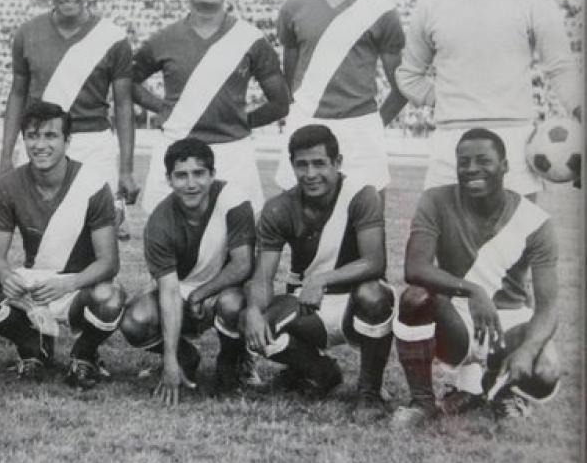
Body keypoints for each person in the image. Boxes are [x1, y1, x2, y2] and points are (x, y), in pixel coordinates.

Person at [395, 0, 582, 195]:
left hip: (515, 141)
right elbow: (408, 75)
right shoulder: (430, 4)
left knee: (515, 238)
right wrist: (443, 99)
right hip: (450, 141)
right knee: (441, 237)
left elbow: (560, 67)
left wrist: (580, 112)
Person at [391, 128, 561, 425]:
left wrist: (528, 350)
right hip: (457, 317)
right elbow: (415, 268)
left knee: (544, 371)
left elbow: (548, 307)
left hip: (509, 320)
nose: (471, 169)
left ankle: (500, 389)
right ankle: (422, 403)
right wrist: (471, 291)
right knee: (415, 298)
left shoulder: (535, 221)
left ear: (505, 166)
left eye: (483, 161)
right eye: (464, 162)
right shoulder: (435, 200)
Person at [240, 124, 394, 422]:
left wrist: (322, 279)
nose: (310, 174)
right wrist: (254, 311)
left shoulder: (362, 195)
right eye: (302, 165)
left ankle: (369, 392)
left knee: (374, 294)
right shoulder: (278, 208)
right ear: (292, 167)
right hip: (310, 306)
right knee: (255, 327)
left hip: (354, 303)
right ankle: (320, 372)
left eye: (319, 163)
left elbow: (374, 262)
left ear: (337, 163)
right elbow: (263, 276)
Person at [0, 101, 124, 390]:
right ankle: (33, 345)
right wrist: (6, 277)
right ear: (23, 140)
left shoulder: (92, 183)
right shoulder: (9, 185)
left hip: (77, 285)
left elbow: (109, 263)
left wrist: (69, 284)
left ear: (67, 141)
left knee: (110, 297)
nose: (40, 145)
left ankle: (84, 355)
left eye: (50, 136)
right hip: (36, 281)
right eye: (32, 136)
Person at [132, 0, 290, 216]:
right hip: (175, 148)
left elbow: (280, 102)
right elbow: (129, 81)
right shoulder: (163, 38)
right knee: (167, 238)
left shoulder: (251, 39)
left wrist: (241, 121)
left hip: (233, 154)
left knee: (238, 242)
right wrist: (161, 107)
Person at [0, 0, 138, 238]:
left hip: (93, 143)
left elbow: (124, 105)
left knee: (97, 235)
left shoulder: (113, 38)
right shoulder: (27, 33)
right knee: (42, 233)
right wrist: (5, 156)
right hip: (40, 139)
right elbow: (17, 94)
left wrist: (126, 168)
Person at [275, 0, 407, 193]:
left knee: (368, 223)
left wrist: (372, 125)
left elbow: (401, 86)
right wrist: (297, 117)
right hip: (306, 124)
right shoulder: (293, 6)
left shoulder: (382, 10)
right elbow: (289, 76)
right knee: (299, 223)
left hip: (360, 130)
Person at [120, 138, 257, 406]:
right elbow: (170, 291)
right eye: (181, 176)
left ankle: (232, 362)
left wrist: (202, 293)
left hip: (224, 288)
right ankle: (185, 357)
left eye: (199, 173)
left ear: (212, 174)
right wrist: (169, 359)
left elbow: (242, 264)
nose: (191, 183)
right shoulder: (160, 221)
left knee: (233, 304)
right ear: (169, 180)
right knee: (134, 321)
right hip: (181, 289)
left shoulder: (234, 200)